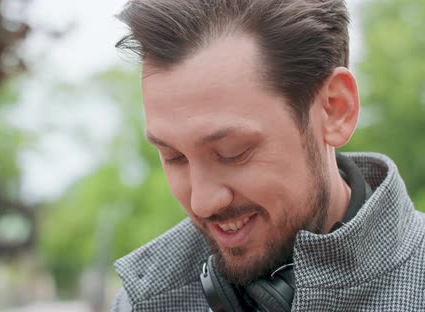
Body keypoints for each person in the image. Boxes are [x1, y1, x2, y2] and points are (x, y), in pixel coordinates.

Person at [110, 0, 425, 311]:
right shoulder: (140, 302)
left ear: (334, 109)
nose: (202, 203)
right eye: (173, 156)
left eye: (233, 152)